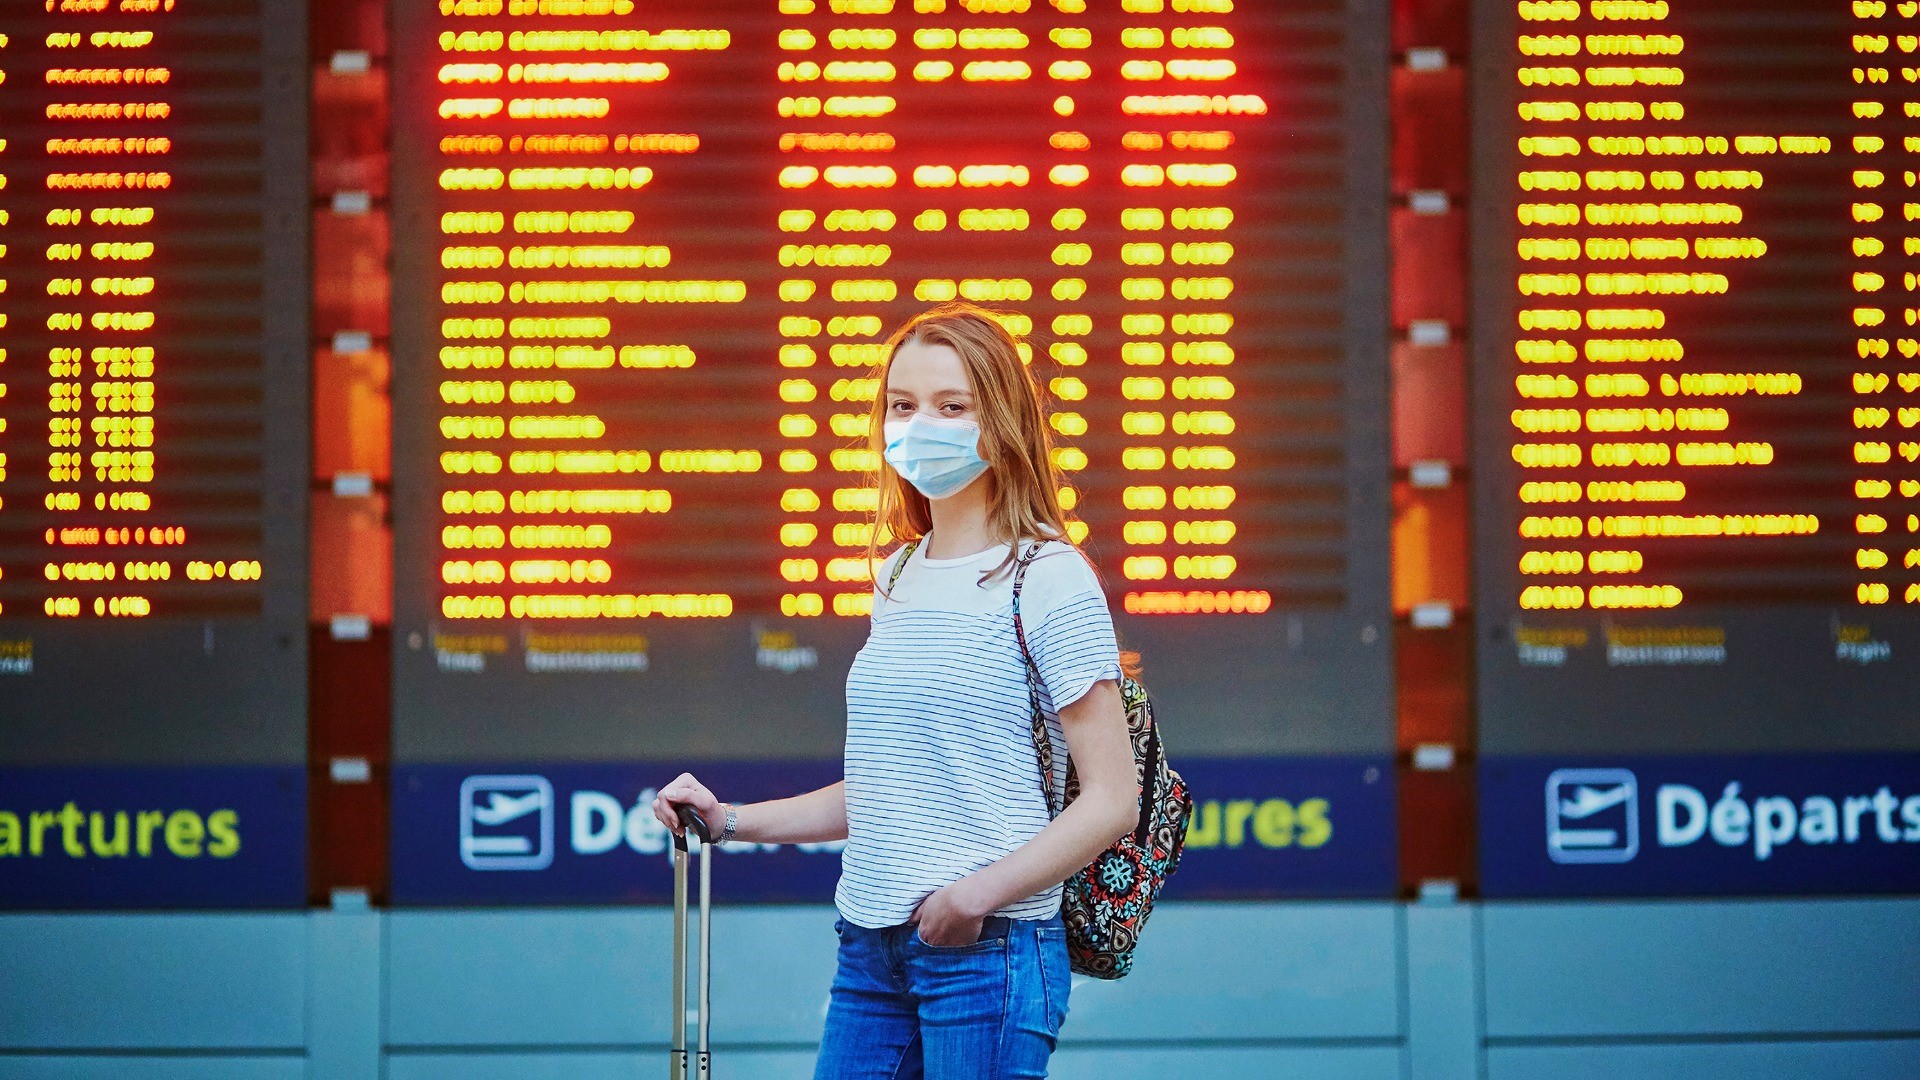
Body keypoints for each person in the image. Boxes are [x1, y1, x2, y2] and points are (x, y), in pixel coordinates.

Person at [653, 302, 1139, 1079]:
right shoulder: (897, 576)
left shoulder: (1049, 578)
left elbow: (1114, 798)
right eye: (903, 405)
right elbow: (889, 787)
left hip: (989, 953)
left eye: (953, 406)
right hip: (870, 950)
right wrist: (730, 820)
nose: (922, 425)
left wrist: (974, 897)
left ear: (1002, 421)